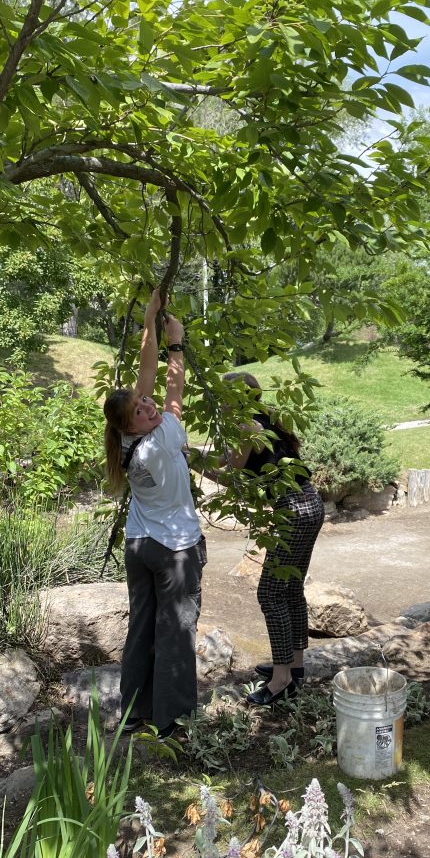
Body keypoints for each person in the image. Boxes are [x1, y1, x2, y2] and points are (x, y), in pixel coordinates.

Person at [103, 290, 205, 737]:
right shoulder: (162, 438)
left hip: (139, 544)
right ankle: (175, 723)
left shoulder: (124, 440)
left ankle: (134, 713)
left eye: (146, 404)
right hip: (174, 550)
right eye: (141, 409)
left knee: (142, 628)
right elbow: (173, 388)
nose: (149, 407)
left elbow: (145, 375)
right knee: (176, 633)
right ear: (132, 424)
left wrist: (150, 320)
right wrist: (177, 342)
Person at [217, 372, 325, 707]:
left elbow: (231, 477)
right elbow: (227, 460)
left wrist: (191, 462)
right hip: (309, 504)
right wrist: (195, 454)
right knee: (290, 589)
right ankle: (294, 666)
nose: (218, 402)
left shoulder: (246, 426)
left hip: (292, 510)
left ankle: (282, 681)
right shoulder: (263, 419)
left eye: (223, 396)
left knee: (270, 593)